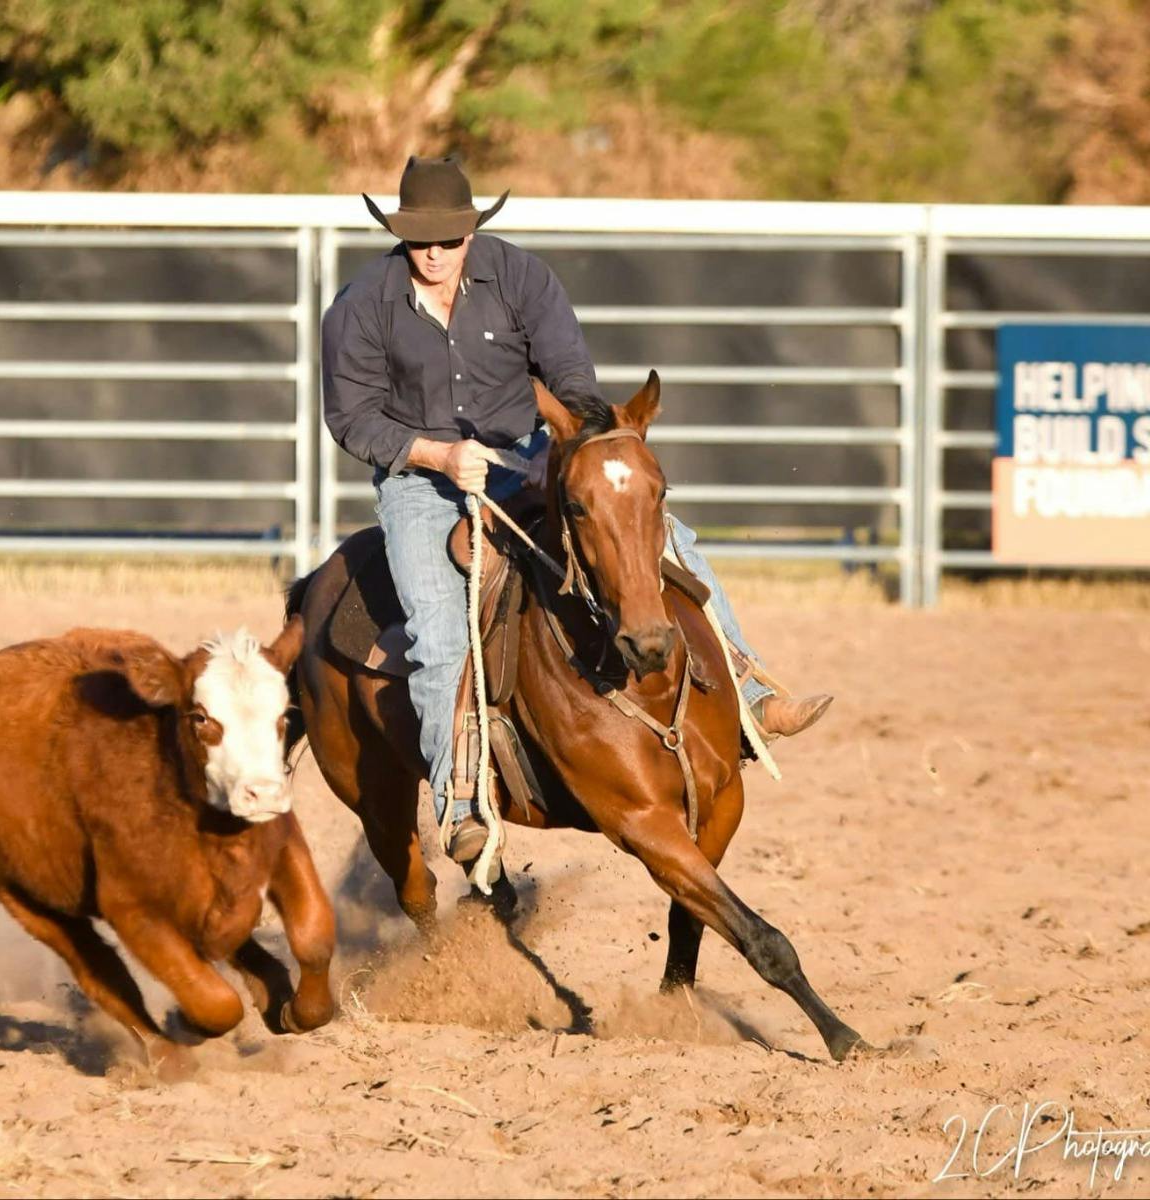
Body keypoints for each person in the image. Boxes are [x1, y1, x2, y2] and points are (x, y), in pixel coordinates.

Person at [320, 155, 832, 869]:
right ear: (401, 236)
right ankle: (462, 798)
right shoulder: (362, 304)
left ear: (471, 231)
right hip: (419, 484)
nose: (432, 253)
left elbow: (571, 376)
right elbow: (351, 417)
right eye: (418, 240)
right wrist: (434, 456)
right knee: (439, 628)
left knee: (665, 537)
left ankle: (746, 692)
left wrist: (577, 445)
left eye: (446, 239)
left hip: (528, 454)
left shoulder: (522, 278)